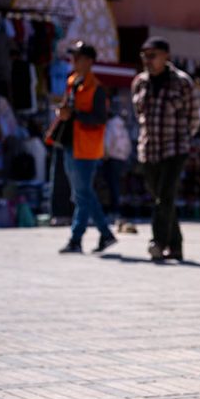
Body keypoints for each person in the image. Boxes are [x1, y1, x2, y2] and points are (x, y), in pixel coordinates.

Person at [132, 36, 198, 261]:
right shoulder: (140, 83)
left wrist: (183, 139)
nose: (147, 61)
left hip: (174, 149)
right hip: (149, 149)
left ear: (165, 56)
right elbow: (138, 115)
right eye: (144, 56)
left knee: (165, 197)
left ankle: (158, 242)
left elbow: (193, 117)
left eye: (152, 56)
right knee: (161, 198)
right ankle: (176, 246)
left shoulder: (181, 82)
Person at [56, 41, 116, 254]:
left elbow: (100, 118)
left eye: (79, 57)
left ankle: (77, 238)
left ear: (89, 61)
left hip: (87, 148)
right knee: (81, 194)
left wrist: (75, 115)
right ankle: (104, 234)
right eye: (73, 57)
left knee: (82, 194)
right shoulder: (72, 82)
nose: (74, 61)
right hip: (71, 144)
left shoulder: (96, 88)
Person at [103, 104, 132, 231]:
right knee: (118, 186)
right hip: (122, 159)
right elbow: (128, 145)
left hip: (112, 158)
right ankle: (118, 210)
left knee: (112, 186)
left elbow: (108, 143)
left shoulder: (111, 125)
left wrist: (105, 155)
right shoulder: (122, 127)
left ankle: (114, 211)